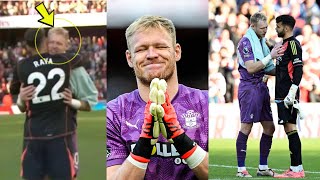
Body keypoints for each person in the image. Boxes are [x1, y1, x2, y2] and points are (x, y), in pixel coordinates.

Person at [106, 15, 208, 179]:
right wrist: (145, 141)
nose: (151, 54)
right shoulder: (114, 112)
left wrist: (179, 137)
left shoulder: (205, 103)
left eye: (160, 46)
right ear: (129, 58)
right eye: (141, 49)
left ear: (176, 52)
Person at [13, 27, 98, 180]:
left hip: (63, 136)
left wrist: (73, 102)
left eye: (59, 43)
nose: (54, 46)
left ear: (66, 45)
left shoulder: (73, 68)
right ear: (45, 43)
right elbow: (22, 107)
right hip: (34, 137)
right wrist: (21, 98)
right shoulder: (31, 67)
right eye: (51, 42)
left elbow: (91, 103)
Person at [235, 12, 284, 177]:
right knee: (246, 127)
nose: (265, 31)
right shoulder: (246, 42)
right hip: (249, 88)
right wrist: (271, 55)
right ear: (253, 26)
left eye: (266, 28)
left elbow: (267, 68)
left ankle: (263, 167)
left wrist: (287, 70)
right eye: (262, 28)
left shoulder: (262, 41)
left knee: (269, 127)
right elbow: (251, 67)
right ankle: (241, 169)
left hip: (262, 87)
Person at [273, 15, 304, 178]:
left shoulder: (292, 44)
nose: (275, 29)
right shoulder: (283, 45)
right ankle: (295, 168)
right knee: (288, 129)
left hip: (287, 94)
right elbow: (283, 69)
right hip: (281, 93)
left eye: (277, 26)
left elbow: (298, 68)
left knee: (291, 129)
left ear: (285, 27)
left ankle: (297, 169)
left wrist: (292, 91)